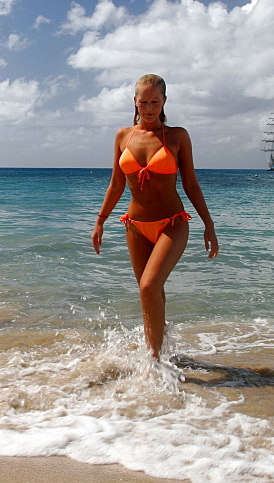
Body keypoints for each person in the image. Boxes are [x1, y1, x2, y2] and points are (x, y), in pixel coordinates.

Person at [91, 74, 218, 359]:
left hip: (171, 223)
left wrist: (209, 225)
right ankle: (159, 354)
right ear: (135, 103)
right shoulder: (123, 136)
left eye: (155, 101)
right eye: (143, 101)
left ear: (164, 102)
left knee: (149, 286)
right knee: (150, 293)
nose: (149, 107)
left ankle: (153, 360)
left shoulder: (177, 136)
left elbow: (191, 183)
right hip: (135, 226)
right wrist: (100, 220)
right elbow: (116, 184)